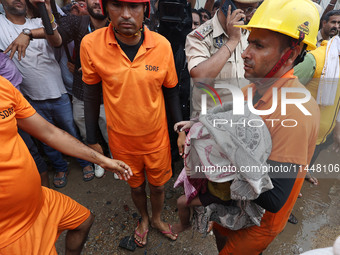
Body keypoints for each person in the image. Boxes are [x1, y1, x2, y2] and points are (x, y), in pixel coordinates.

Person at [212, 0, 320, 254]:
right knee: (220, 238)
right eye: (249, 41)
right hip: (232, 206)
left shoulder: (295, 111)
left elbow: (273, 198)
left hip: (258, 223)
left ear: (291, 54)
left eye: (258, 45)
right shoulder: (254, 88)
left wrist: (220, 152)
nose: (245, 52)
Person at [80, 0, 186, 247]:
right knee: (136, 188)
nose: (126, 14)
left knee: (159, 187)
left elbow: (171, 92)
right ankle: (145, 219)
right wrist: (92, 140)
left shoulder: (162, 46)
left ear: (146, 10)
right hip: (121, 141)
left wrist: (181, 130)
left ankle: (158, 218)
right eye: (117, 5)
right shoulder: (91, 44)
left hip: (156, 139)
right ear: (106, 8)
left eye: (134, 7)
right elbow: (91, 94)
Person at [0, 75, 132, 254]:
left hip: (39, 201)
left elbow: (49, 133)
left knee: (84, 221)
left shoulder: (3, 87)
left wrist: (101, 159)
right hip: (10, 234)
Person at [0, 0, 95, 188]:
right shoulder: (1, 25)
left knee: (71, 130)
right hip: (29, 98)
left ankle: (85, 162)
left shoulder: (37, 23)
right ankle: (60, 167)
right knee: (45, 139)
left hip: (57, 91)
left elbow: (55, 37)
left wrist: (27, 34)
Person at [41, 0, 111, 178]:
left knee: (111, 132)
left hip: (109, 94)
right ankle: (99, 160)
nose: (97, 1)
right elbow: (57, 41)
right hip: (82, 93)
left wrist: (99, 67)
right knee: (87, 132)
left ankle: (115, 158)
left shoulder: (116, 24)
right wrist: (47, 13)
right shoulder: (77, 22)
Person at [185, 0, 260, 117]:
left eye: (254, 9)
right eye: (248, 10)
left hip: (242, 123)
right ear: (226, 5)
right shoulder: (199, 37)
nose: (251, 15)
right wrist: (232, 41)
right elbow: (200, 80)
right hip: (210, 126)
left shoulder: (250, 34)